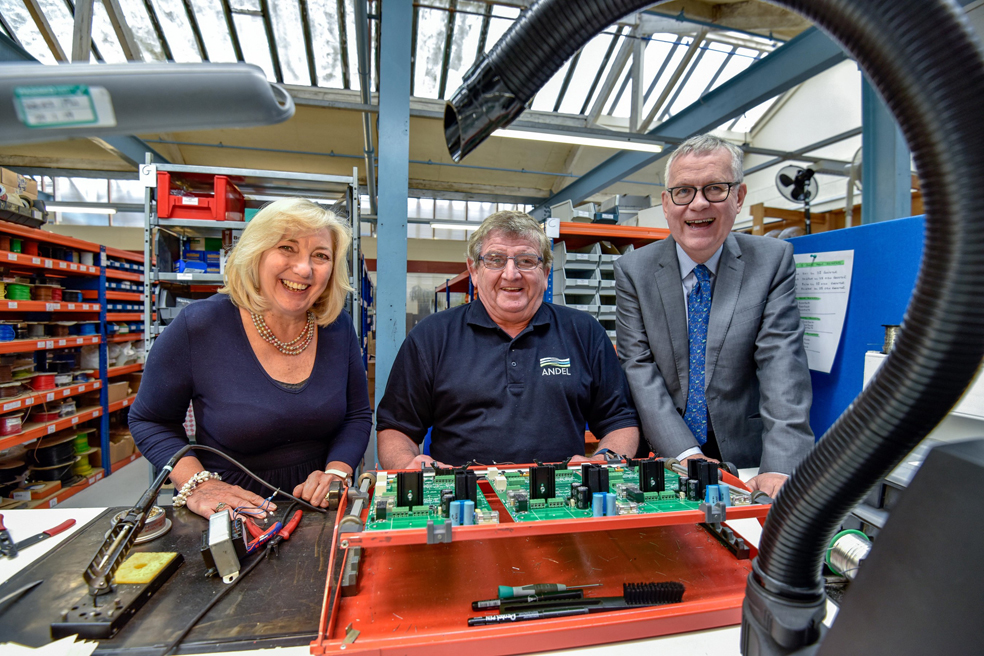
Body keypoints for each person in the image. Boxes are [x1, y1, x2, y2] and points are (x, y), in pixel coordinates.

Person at [130, 198, 372, 519]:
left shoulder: (337, 327)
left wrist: (337, 472)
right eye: (287, 248)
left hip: (318, 509)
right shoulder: (199, 325)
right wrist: (199, 484)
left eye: (321, 255)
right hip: (229, 512)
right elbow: (150, 420)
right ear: (256, 253)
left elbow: (356, 415)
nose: (304, 268)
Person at [614, 134, 813, 497]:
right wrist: (686, 455)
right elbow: (638, 367)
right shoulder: (633, 271)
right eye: (683, 191)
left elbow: (782, 364)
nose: (698, 203)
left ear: (739, 196)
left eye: (715, 188)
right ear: (666, 203)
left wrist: (780, 466)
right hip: (665, 452)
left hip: (747, 458)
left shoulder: (772, 261)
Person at [376, 211, 639, 469]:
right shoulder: (431, 336)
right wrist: (406, 465)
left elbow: (620, 420)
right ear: (474, 271)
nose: (511, 274)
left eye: (526, 261)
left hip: (561, 494)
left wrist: (604, 461)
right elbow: (396, 427)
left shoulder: (585, 332)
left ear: (546, 273)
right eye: (495, 260)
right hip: (458, 493)